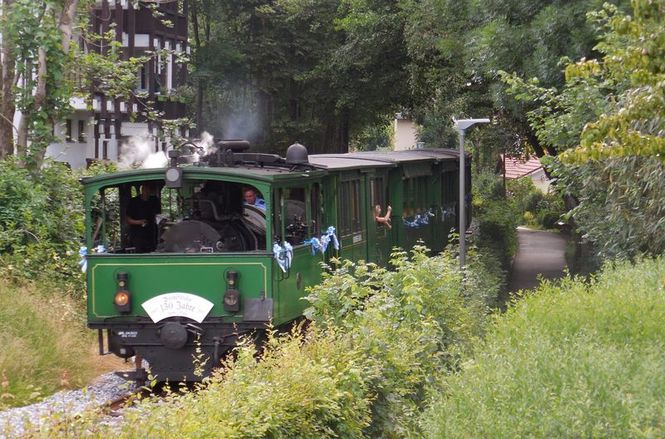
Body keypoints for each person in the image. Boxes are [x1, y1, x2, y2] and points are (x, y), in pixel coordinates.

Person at [126, 184, 161, 252]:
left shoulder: (154, 200)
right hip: (137, 235)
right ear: (142, 190)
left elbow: (158, 215)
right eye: (145, 190)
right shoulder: (134, 202)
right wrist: (139, 222)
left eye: (148, 190)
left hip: (151, 234)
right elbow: (128, 220)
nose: (147, 192)